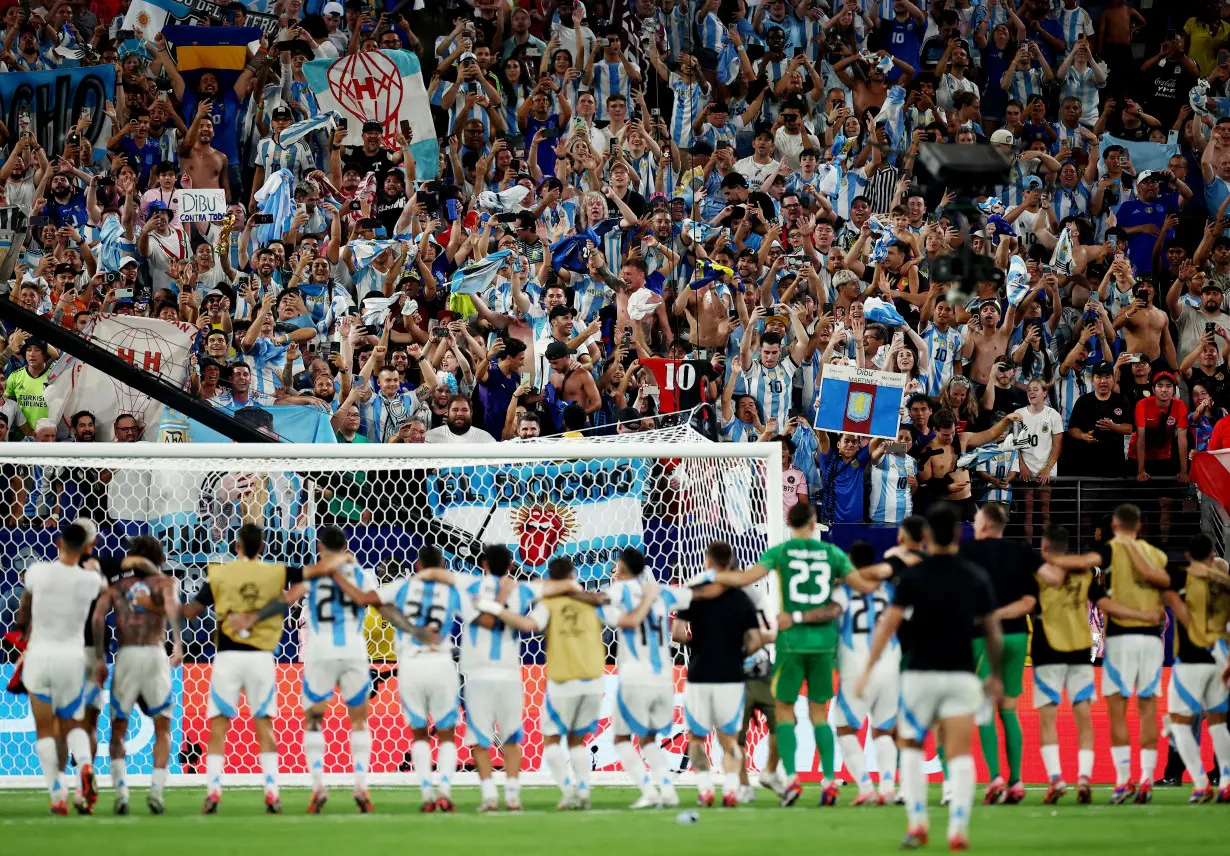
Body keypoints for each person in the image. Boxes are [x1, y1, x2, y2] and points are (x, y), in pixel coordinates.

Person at [857, 501, 1003, 851]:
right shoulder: (974, 575)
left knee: (909, 744)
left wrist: (867, 668)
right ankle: (957, 829)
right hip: (962, 675)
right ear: (956, 534)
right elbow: (993, 631)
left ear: (924, 536)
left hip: (920, 674)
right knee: (959, 752)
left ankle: (918, 823)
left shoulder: (912, 577)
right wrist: (995, 674)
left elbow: (887, 625)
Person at [712, 502, 867, 806]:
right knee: (820, 713)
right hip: (824, 644)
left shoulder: (781, 551)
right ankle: (829, 781)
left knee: (784, 711)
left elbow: (744, 579)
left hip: (790, 643)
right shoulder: (833, 554)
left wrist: (714, 578)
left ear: (789, 522)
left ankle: (792, 779)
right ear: (813, 523)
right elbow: (859, 583)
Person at [181, 523, 339, 814]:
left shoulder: (219, 573)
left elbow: (191, 611)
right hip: (261, 659)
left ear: (237, 545)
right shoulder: (274, 572)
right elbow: (312, 573)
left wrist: (160, 607)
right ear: (262, 547)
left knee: (218, 726)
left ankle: (214, 792)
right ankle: (271, 793)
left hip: (227, 657)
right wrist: (339, 558)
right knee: (264, 726)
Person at [87, 535, 180, 816]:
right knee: (163, 729)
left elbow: (96, 618)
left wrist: (100, 655)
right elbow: (174, 609)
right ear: (159, 558)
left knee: (118, 729)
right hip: (155, 654)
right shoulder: (166, 584)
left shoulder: (117, 587)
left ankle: (121, 794)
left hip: (126, 656)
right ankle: (156, 792)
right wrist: (178, 644)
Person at [17, 519, 105, 815]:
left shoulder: (37, 572)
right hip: (72, 660)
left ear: (58, 544)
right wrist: (92, 569)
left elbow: (24, 606)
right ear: (88, 548)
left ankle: (57, 792)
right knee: (72, 723)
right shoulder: (91, 581)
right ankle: (86, 765)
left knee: (44, 729)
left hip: (40, 657)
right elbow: (100, 590)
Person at [676, 541, 771, 808]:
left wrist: (697, 646)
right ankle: (730, 790)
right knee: (729, 739)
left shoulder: (693, 594)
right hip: (731, 676)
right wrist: (735, 652)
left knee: (696, 738)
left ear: (707, 561)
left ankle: (705, 789)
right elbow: (754, 640)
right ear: (731, 564)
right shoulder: (742, 599)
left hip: (699, 674)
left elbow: (678, 634)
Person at [959, 502, 1042, 804]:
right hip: (1018, 635)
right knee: (1008, 708)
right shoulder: (1021, 552)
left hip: (982, 638)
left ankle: (994, 777)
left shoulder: (968, 552)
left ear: (984, 525)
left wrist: (988, 616)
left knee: (984, 709)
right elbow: (1030, 602)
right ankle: (1016, 780)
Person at [1097, 503, 1170, 804]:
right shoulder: (1158, 555)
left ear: (1114, 527)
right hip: (1152, 640)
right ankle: (1147, 779)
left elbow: (1100, 597)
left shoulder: (1109, 552)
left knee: (1117, 708)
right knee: (1148, 708)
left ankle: (1122, 780)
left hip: (1121, 638)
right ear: (1140, 527)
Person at [830, 539, 909, 806]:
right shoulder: (888, 589)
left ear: (850, 561)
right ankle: (887, 786)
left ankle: (865, 786)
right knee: (884, 730)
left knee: (844, 728)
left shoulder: (843, 591)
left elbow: (831, 619)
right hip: (889, 662)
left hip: (857, 665)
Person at [1160, 533, 1230, 804]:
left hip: (1189, 660)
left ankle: (1200, 783)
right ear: (1212, 556)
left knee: (1179, 724)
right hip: (1219, 658)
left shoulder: (1179, 579)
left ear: (1188, 555)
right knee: (1219, 723)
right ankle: (1225, 781)